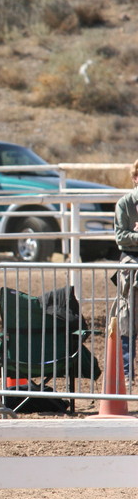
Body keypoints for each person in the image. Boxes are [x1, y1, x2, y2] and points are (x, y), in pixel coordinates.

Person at [113, 157, 138, 379]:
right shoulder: (125, 203)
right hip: (131, 260)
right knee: (127, 314)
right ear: (135, 178)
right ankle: (126, 371)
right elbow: (121, 236)